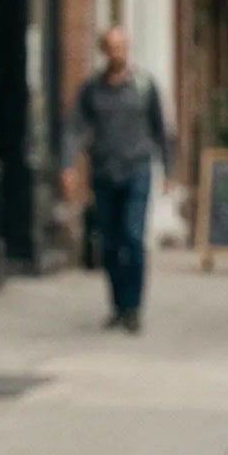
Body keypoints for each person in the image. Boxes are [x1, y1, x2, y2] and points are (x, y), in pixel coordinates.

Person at [62, 28, 171, 335]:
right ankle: (118, 305)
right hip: (104, 172)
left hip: (137, 170)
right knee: (110, 242)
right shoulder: (92, 89)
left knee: (133, 238)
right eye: (111, 47)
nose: (117, 52)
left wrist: (168, 170)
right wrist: (68, 166)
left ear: (128, 49)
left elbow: (160, 130)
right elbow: (74, 128)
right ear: (104, 51)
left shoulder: (144, 85)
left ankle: (133, 307)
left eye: (121, 47)